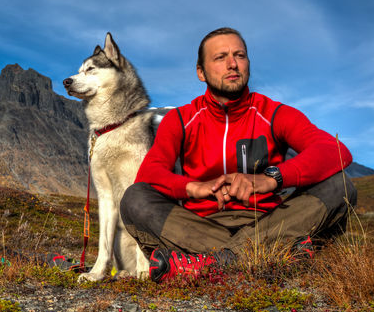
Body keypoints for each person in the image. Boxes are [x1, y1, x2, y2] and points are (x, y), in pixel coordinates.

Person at [120, 27, 356, 282]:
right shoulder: (180, 119)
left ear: (248, 64)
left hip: (269, 222)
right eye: (220, 57)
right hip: (196, 227)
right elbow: (149, 173)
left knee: (340, 184)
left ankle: (211, 264)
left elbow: (335, 150)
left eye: (239, 55)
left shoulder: (275, 113)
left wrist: (271, 178)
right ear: (201, 71)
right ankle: (265, 259)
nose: (232, 64)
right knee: (135, 198)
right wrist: (193, 187)